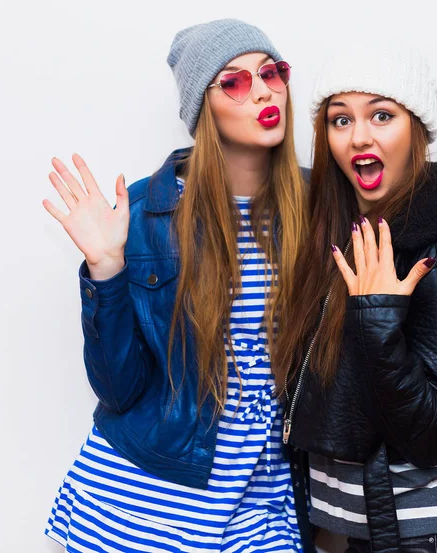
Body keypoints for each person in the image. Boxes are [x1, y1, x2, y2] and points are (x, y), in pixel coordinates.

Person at [42, 18, 311, 552]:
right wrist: (106, 270)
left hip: (264, 502)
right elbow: (118, 391)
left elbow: (397, 195)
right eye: (233, 81)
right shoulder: (144, 214)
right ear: (202, 107)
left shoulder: (315, 203)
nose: (262, 91)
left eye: (272, 73)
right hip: (143, 501)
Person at [277, 42, 437, 553]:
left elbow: (433, 436)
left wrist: (379, 317)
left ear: (416, 131)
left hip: (435, 536)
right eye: (341, 121)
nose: (359, 136)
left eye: (381, 116)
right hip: (372, 533)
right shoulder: (345, 240)